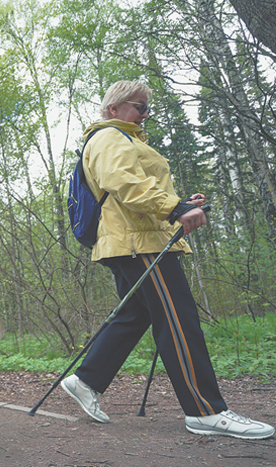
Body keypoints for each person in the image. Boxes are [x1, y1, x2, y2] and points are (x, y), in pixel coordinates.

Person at [61, 80, 274, 440]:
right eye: (139, 106)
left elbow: (135, 187)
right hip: (138, 244)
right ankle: (205, 411)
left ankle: (86, 380)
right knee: (179, 318)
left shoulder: (125, 139)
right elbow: (124, 183)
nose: (146, 114)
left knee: (137, 314)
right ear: (114, 108)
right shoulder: (109, 137)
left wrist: (180, 202)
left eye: (147, 108)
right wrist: (174, 208)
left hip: (133, 240)